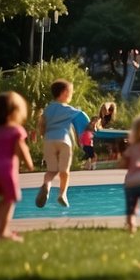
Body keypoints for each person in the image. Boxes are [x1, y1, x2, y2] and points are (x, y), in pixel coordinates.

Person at [0, 92, 34, 241]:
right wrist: (29, 163)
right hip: (6, 168)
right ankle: (3, 231)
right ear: (14, 113)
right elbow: (21, 148)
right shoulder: (16, 130)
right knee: (10, 199)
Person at [36, 79, 90, 209]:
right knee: (64, 171)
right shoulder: (70, 110)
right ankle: (62, 194)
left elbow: (42, 126)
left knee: (51, 170)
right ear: (65, 93)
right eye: (71, 92)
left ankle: (47, 185)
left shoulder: (48, 109)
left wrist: (44, 135)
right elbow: (85, 121)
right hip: (64, 141)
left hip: (49, 140)